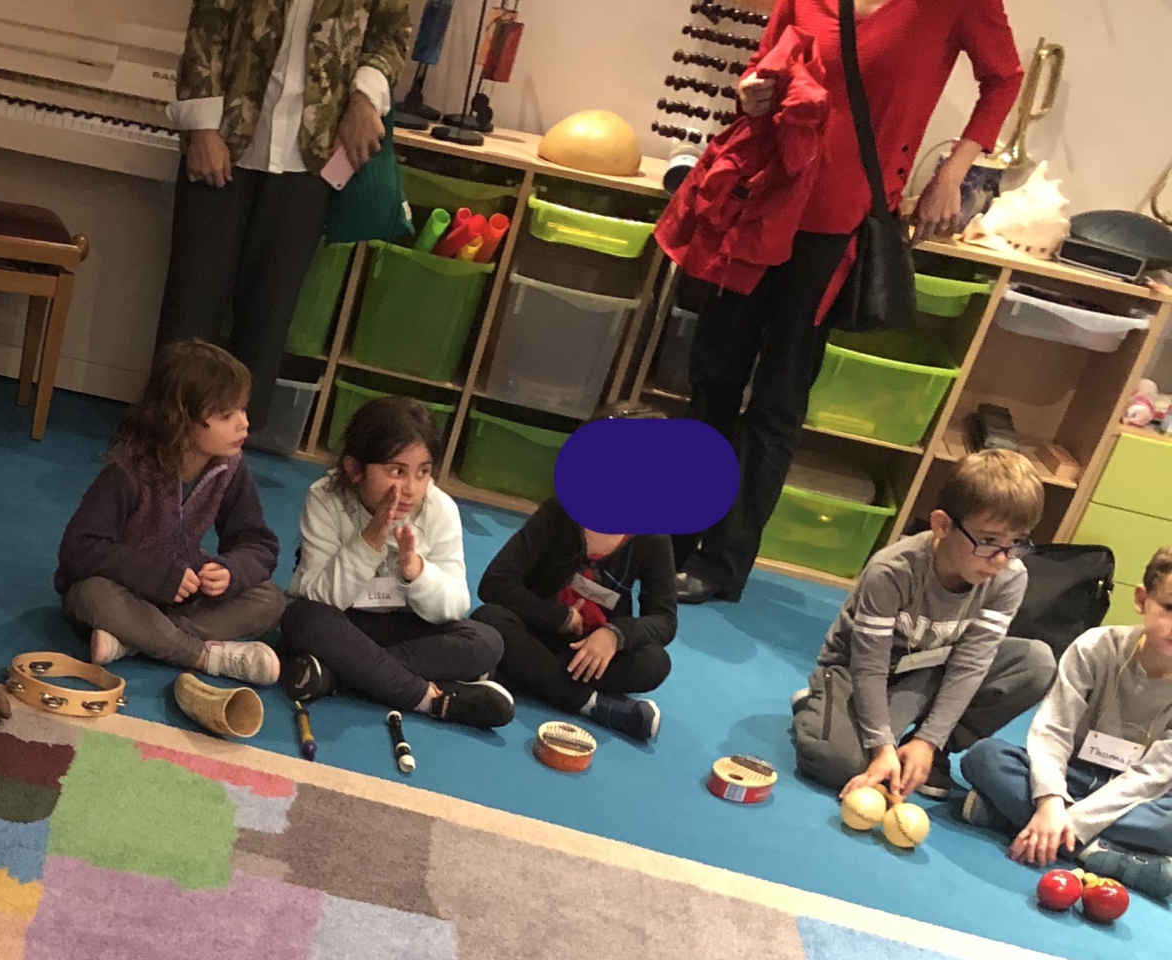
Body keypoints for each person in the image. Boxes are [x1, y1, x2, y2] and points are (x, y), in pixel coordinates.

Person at [664, 0, 1023, 604]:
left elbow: (1004, 78)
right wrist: (752, 92)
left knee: (778, 397)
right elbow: (762, 71)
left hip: (836, 228)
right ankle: (669, 540)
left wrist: (952, 173)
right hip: (761, 203)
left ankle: (722, 565)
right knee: (712, 378)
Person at [158, 0, 407, 453]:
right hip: (225, 137)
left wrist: (366, 97)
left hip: (312, 155)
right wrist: (201, 128)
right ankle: (160, 442)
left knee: (269, 315)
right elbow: (206, 27)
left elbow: (391, 33)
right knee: (191, 304)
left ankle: (229, 459)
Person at [791, 447, 1053, 800]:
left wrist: (928, 741)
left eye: (1016, 543)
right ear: (942, 525)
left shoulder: (1009, 577)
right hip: (858, 672)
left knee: (1035, 663)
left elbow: (971, 664)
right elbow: (869, 666)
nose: (1001, 559)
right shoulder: (892, 571)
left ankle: (929, 752)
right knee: (836, 764)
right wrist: (882, 747)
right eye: (989, 541)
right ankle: (818, 704)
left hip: (932, 669)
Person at [56, 339, 284, 681]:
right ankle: (204, 657)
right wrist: (153, 574)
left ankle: (137, 639)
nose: (243, 424)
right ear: (180, 419)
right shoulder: (128, 471)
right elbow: (78, 549)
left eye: (242, 409)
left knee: (271, 599)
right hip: (121, 590)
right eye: (226, 415)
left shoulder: (231, 467)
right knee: (91, 596)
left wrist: (232, 570)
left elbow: (258, 543)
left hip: (182, 596)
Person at [279, 395, 511, 726]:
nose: (412, 488)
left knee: (486, 642)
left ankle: (338, 678)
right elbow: (317, 596)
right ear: (354, 469)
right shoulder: (325, 497)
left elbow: (456, 604)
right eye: (397, 471)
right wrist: (369, 540)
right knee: (301, 619)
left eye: (423, 472)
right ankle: (428, 699)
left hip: (403, 627)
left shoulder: (439, 508)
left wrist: (416, 573)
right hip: (344, 624)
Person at [961, 547, 1172, 897]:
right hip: (1069, 777)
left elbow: (1153, 776)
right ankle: (1099, 853)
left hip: (1136, 797)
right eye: (1169, 607)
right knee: (985, 757)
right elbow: (1052, 733)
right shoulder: (1096, 648)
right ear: (1141, 599)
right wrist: (1049, 801)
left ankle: (1012, 818)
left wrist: (1071, 821)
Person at [475, 492, 679, 742]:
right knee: (489, 618)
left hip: (590, 654)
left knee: (655, 662)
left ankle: (521, 674)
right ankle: (592, 704)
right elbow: (495, 583)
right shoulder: (559, 511)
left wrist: (615, 634)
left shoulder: (653, 535)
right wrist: (557, 617)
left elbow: (664, 619)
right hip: (534, 631)